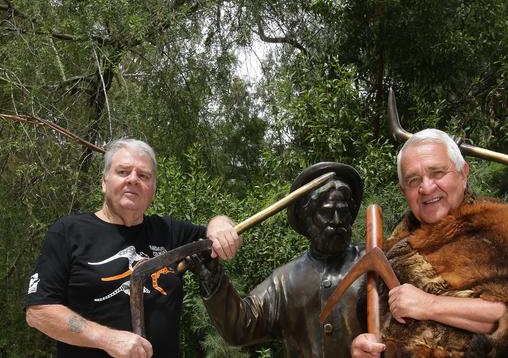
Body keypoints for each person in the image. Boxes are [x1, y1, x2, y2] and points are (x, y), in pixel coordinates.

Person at [351, 129, 508, 357]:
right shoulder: (393, 249)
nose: (427, 188)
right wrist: (365, 349)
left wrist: (429, 305)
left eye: (437, 173)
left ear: (463, 173)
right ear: (404, 191)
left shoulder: (507, 228)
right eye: (414, 180)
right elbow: (380, 329)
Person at [24, 138, 241, 358]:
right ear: (104, 182)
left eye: (143, 176)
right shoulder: (68, 232)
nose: (133, 180)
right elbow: (39, 312)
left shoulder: (169, 232)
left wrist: (221, 223)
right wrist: (107, 339)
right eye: (123, 172)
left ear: (153, 190)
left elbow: (216, 233)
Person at [186, 162, 366, 357]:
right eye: (327, 212)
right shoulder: (284, 281)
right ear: (307, 218)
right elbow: (241, 327)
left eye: (344, 211)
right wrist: (211, 278)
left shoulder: (374, 261)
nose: (338, 221)